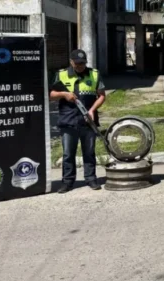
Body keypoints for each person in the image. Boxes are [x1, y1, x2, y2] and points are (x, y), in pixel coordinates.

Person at [50, 49, 106, 193]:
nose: (80, 66)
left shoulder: (94, 74)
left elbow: (101, 96)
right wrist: (64, 94)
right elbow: (51, 94)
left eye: (83, 63)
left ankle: (91, 179)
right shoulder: (61, 74)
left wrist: (92, 110)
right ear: (71, 62)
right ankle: (67, 182)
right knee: (68, 153)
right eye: (77, 63)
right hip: (68, 120)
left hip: (88, 121)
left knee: (89, 152)